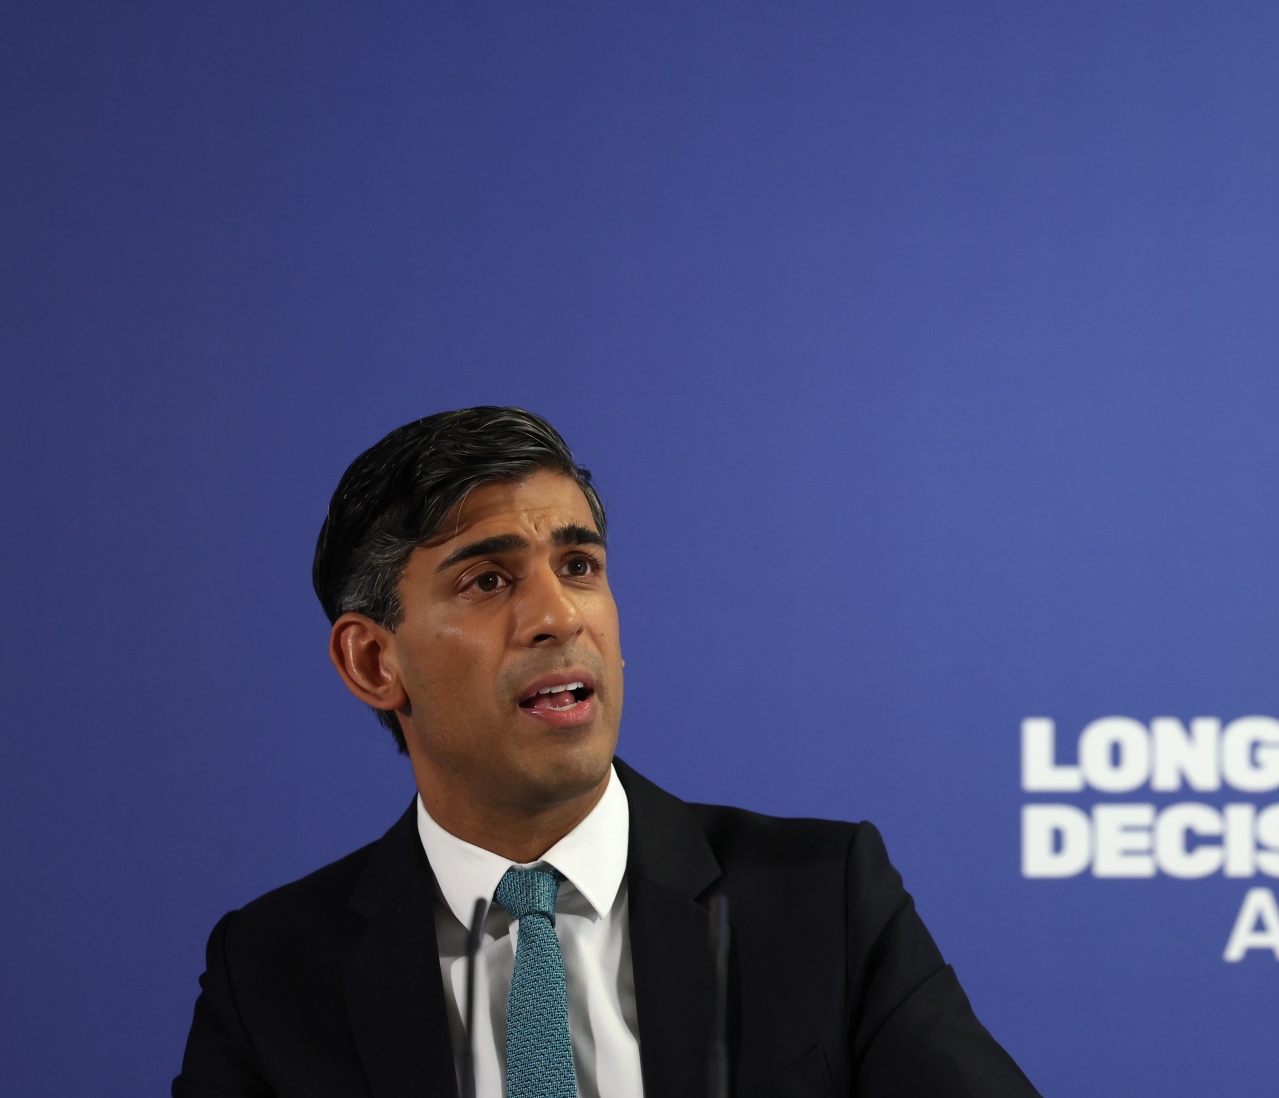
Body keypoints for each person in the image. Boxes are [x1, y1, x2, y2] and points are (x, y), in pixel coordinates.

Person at [174, 407, 1040, 1098]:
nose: (561, 616)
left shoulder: (824, 901)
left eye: (580, 565)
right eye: (488, 579)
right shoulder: (270, 974)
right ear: (373, 661)